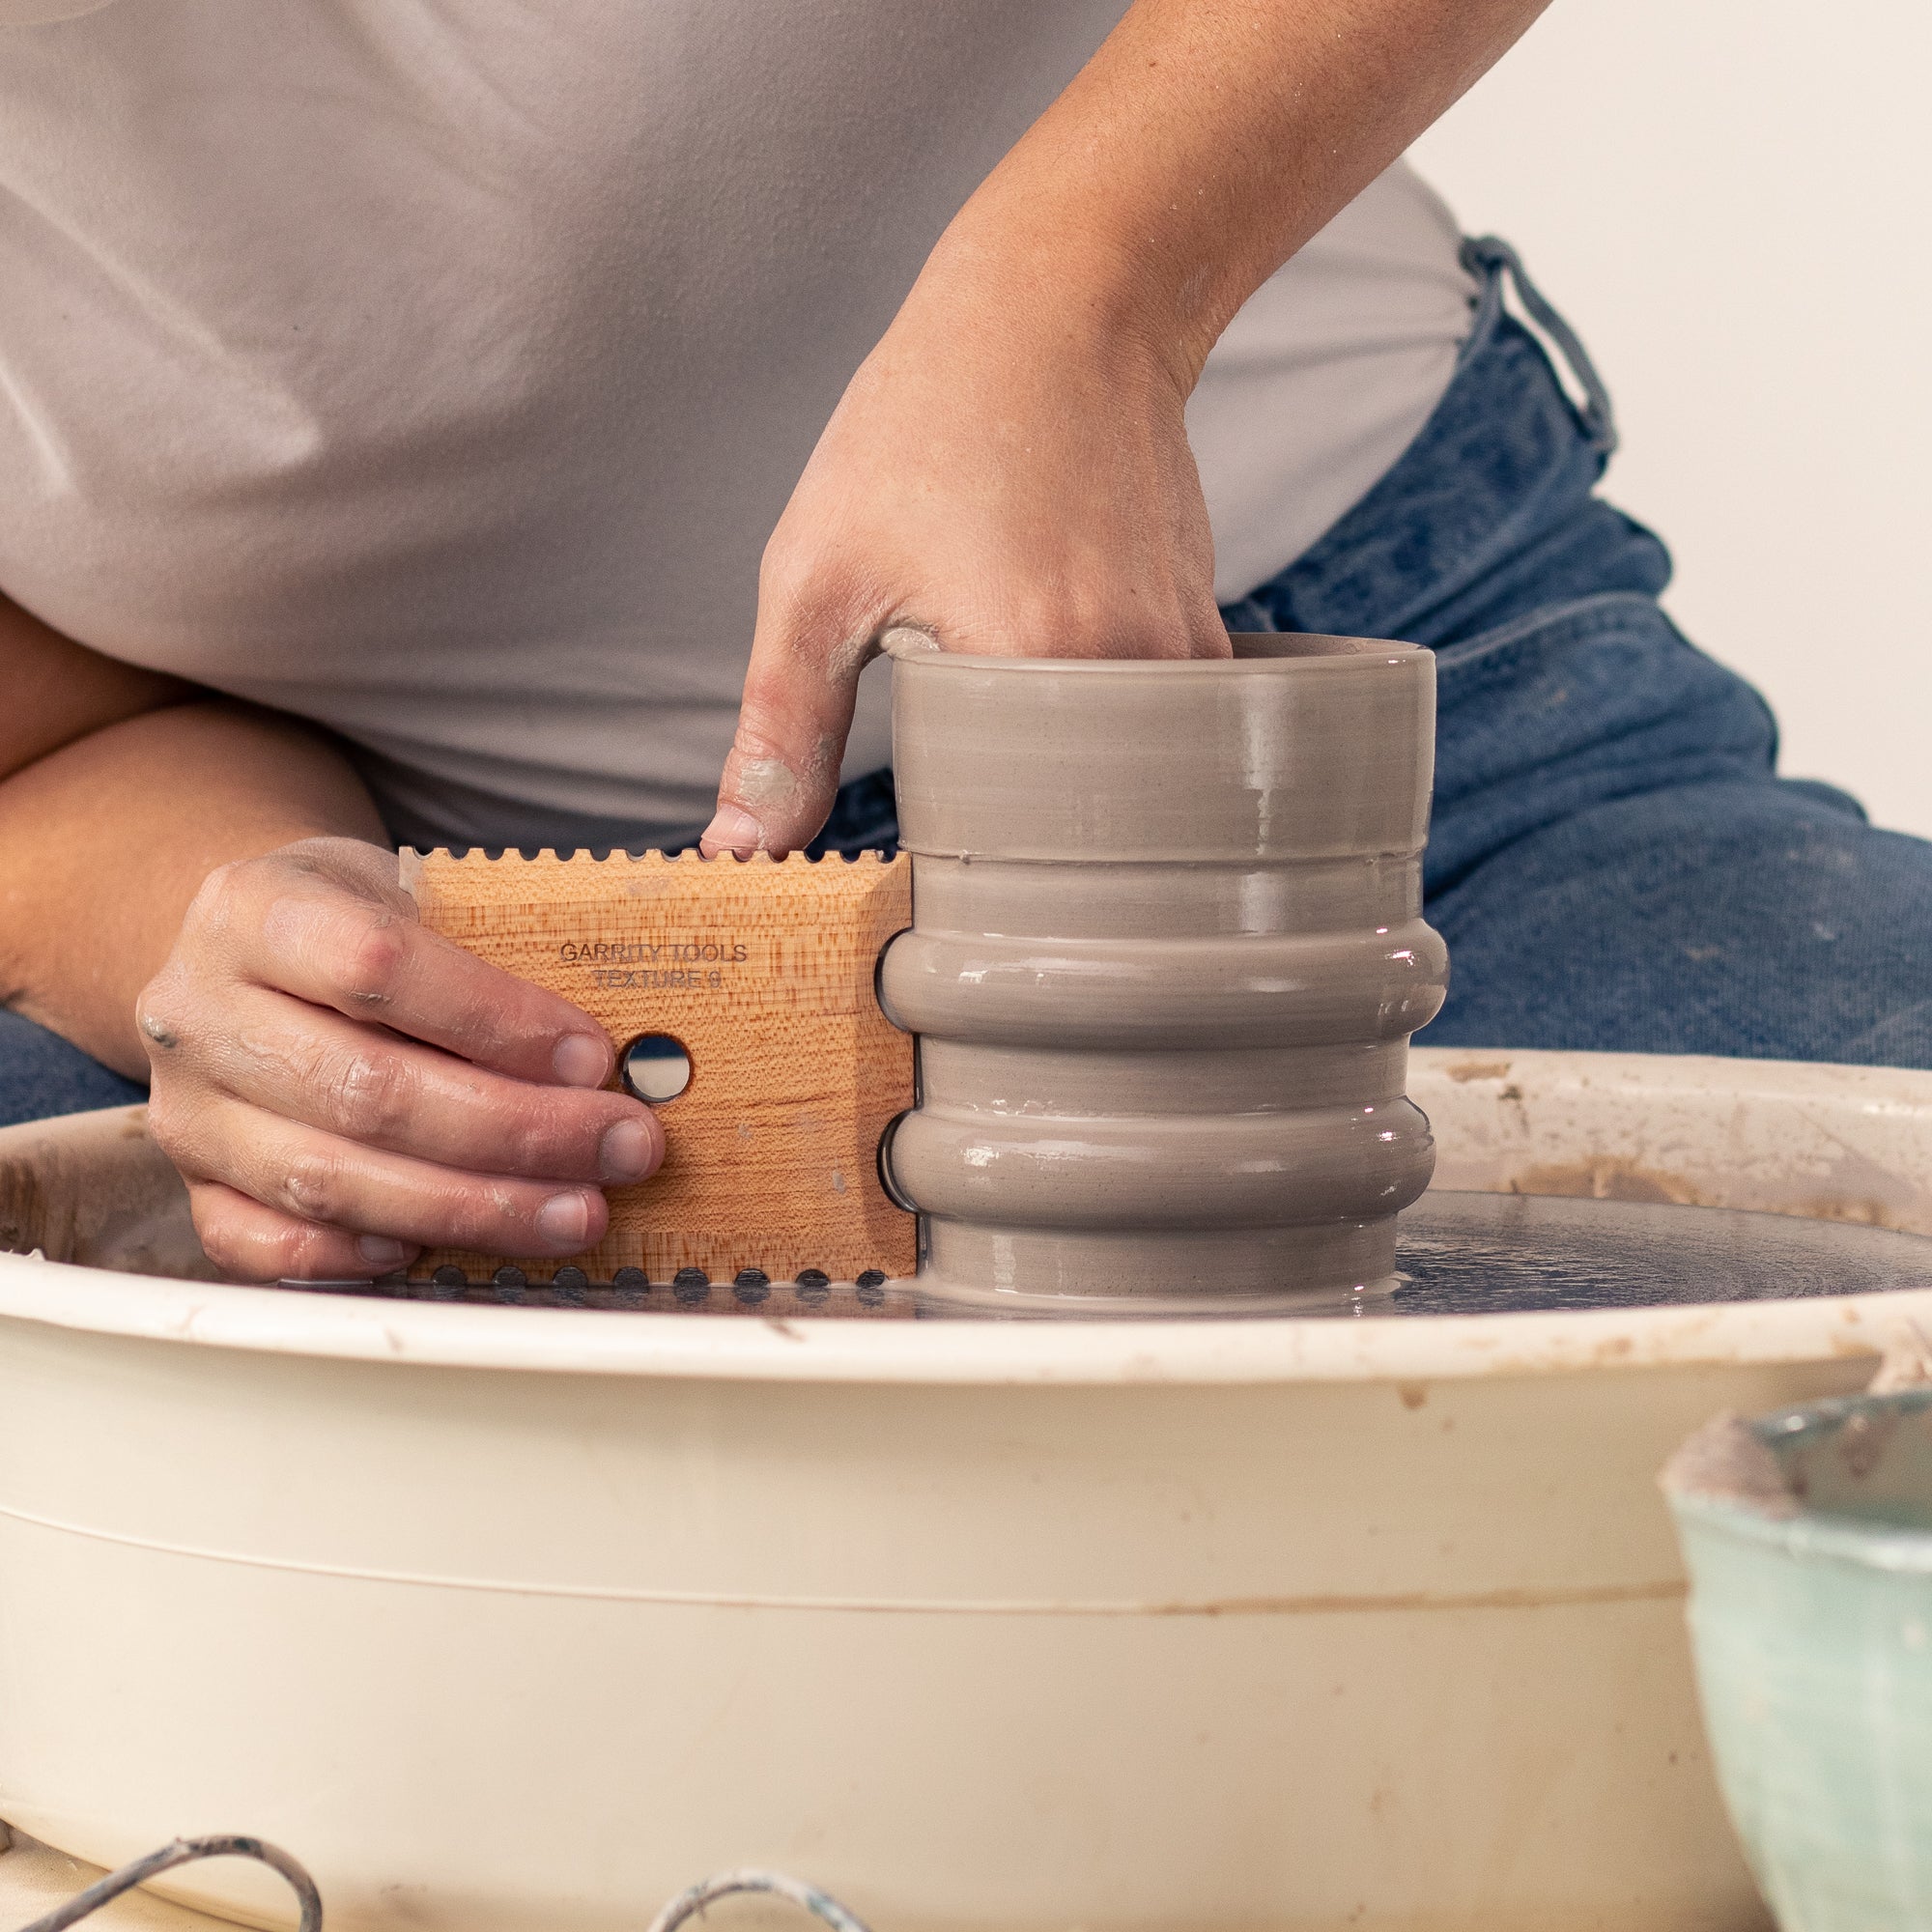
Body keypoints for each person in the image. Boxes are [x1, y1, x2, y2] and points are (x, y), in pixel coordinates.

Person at [3, 0, 1930, 1284]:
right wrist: (250, 953)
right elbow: (49, 738)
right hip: (452, 966)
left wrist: (1087, 289)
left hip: (1336, 735)